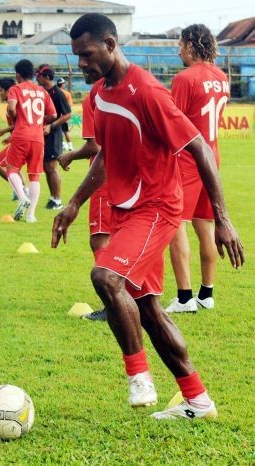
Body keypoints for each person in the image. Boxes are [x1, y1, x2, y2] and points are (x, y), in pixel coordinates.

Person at [53, 13, 244, 420]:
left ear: (109, 44)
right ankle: (198, 400)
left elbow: (200, 149)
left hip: (157, 206)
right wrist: (74, 202)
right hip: (127, 210)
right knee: (150, 310)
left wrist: (223, 218)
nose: (81, 64)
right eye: (76, 56)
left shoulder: (148, 91)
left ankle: (138, 376)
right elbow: (106, 155)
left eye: (86, 55)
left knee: (105, 276)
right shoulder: (100, 95)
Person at [165, 24, 230, 313]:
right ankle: (207, 293)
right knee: (205, 224)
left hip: (188, 160)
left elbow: (172, 123)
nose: (178, 49)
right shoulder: (221, 76)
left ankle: (184, 298)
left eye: (180, 44)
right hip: (211, 157)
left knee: (175, 223)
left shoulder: (184, 78)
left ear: (191, 44)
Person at [57, 93, 108, 322]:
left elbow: (95, 146)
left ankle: (114, 303)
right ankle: (137, 299)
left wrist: (71, 155)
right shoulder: (132, 88)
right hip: (135, 176)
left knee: (100, 238)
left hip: (105, 177)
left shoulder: (96, 96)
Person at [6, 59, 56, 223]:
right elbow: (54, 115)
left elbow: (12, 108)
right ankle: (31, 215)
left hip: (21, 135)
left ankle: (22, 197)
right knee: (35, 176)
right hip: (38, 138)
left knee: (11, 170)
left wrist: (15, 119)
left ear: (18, 75)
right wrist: (40, 121)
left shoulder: (16, 89)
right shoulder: (42, 91)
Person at [36, 65, 71, 210]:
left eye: (38, 75)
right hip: (43, 133)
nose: (36, 78)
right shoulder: (42, 91)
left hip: (54, 133)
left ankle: (58, 200)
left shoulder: (57, 93)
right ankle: (52, 198)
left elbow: (68, 114)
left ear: (47, 77)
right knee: (45, 166)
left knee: (51, 166)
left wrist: (52, 125)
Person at [57, 77, 74, 152]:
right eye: (64, 84)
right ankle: (70, 145)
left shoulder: (55, 92)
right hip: (64, 116)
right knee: (65, 131)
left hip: (57, 116)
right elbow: (69, 106)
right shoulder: (67, 93)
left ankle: (63, 144)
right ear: (62, 84)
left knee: (58, 131)